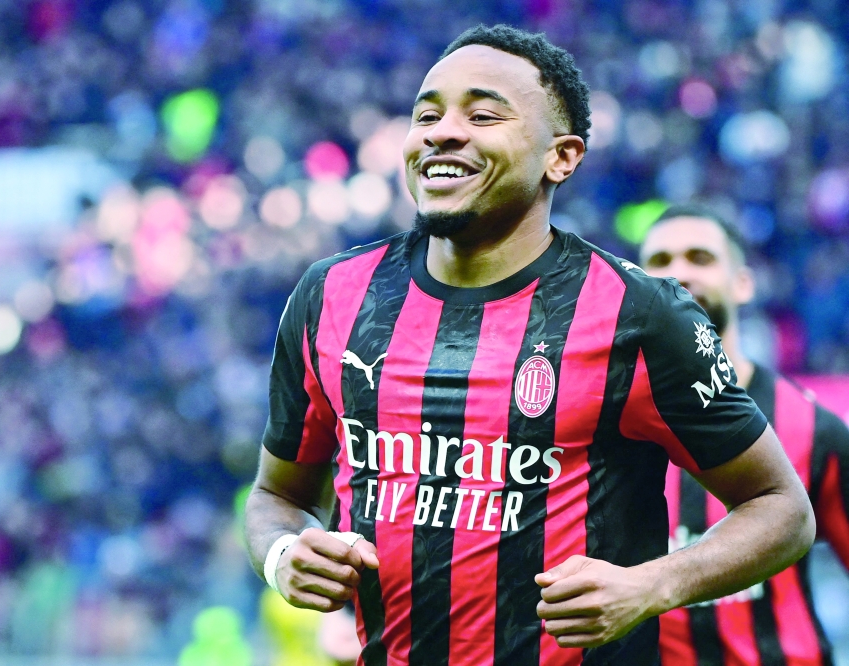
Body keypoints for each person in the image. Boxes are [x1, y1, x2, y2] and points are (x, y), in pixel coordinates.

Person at [244, 24, 815, 665]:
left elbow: (782, 510)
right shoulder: (330, 296)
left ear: (561, 157)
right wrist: (282, 554)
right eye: (426, 114)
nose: (443, 131)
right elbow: (277, 498)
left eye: (483, 114)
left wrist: (649, 586)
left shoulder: (642, 313)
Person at [640, 204, 849, 666]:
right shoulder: (607, 425)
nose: (678, 272)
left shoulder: (815, 428)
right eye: (659, 261)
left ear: (744, 284)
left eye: (700, 257)